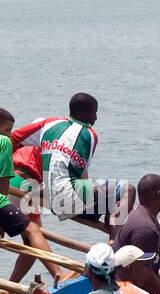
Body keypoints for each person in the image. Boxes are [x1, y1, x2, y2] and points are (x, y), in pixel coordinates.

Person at [0, 107, 71, 283]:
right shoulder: (3, 141)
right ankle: (58, 273)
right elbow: (3, 181)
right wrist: (1, 202)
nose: (10, 135)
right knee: (33, 232)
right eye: (8, 129)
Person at [21, 93, 135, 228]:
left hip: (52, 200)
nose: (96, 118)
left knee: (111, 201)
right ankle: (115, 237)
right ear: (83, 113)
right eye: (94, 113)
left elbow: (14, 138)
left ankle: (113, 229)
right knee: (128, 190)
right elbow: (83, 177)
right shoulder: (89, 135)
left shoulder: (50, 126)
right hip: (66, 199)